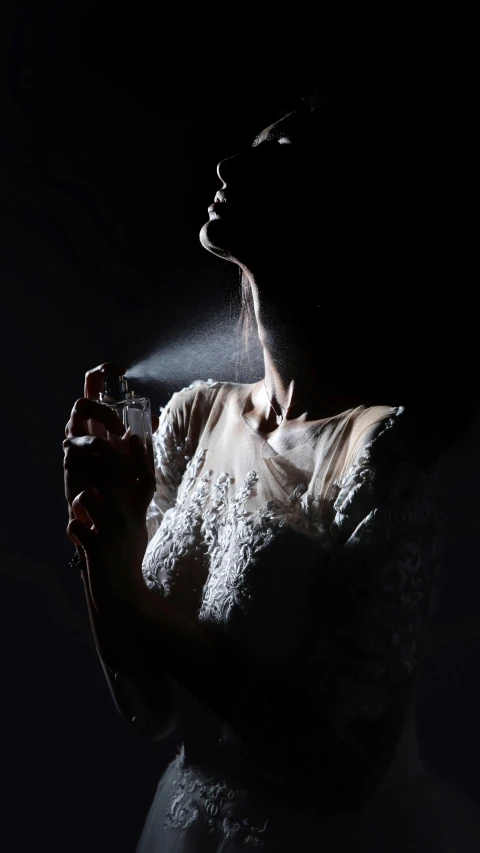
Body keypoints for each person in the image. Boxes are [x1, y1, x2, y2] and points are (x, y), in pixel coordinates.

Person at [63, 87, 480, 851]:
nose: (227, 164)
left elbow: (343, 771)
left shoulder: (382, 449)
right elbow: (148, 710)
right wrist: (102, 547)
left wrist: (148, 610)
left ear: (340, 213)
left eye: (275, 155)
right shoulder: (193, 418)